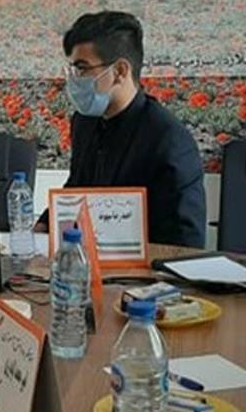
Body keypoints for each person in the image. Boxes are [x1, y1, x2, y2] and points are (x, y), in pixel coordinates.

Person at [38, 12, 206, 247]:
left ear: (120, 71)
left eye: (82, 68)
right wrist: (43, 225)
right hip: (86, 258)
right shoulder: (84, 122)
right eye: (73, 69)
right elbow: (78, 186)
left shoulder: (169, 140)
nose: (74, 80)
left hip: (144, 265)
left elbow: (184, 243)